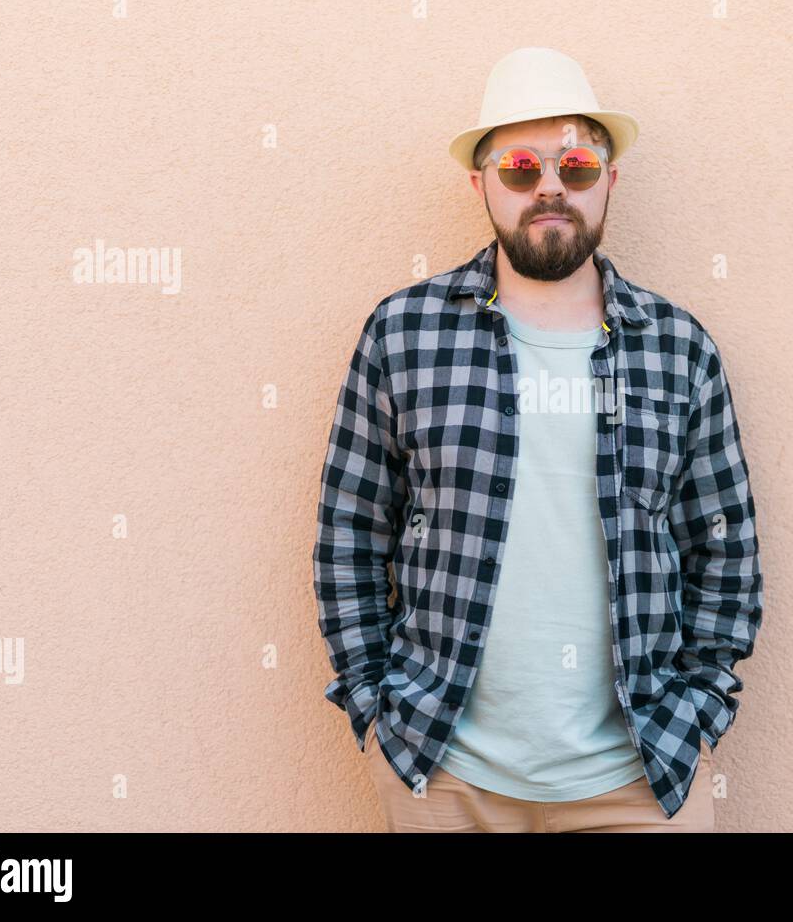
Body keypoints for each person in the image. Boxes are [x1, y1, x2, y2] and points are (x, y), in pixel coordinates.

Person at [313, 46, 763, 832]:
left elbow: (724, 547)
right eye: (520, 166)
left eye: (576, 164)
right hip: (443, 776)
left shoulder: (678, 346)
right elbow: (350, 528)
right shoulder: (405, 332)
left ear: (608, 180)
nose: (550, 186)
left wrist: (699, 716)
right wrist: (375, 708)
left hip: (639, 778)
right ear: (480, 183)